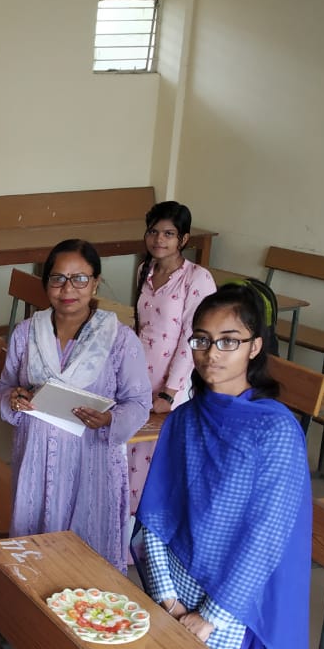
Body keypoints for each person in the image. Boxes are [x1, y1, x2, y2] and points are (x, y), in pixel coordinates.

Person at [129, 283, 311, 649]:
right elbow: (154, 511)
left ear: (255, 346)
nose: (211, 353)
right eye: (202, 340)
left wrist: (208, 616)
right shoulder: (184, 418)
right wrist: (164, 595)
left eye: (228, 341)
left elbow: (266, 537)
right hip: (175, 586)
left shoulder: (275, 429)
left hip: (233, 600)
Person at [0, 238, 151, 572]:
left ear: (95, 282)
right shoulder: (27, 333)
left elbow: (138, 402)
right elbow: (5, 384)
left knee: (88, 564)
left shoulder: (119, 338)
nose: (69, 288)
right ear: (46, 283)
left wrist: (110, 420)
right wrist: (13, 397)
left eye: (80, 278)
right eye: (58, 278)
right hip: (37, 461)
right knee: (35, 557)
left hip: (91, 464)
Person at [127, 201, 216, 513]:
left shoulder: (197, 278)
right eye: (153, 231)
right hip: (140, 377)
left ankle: (148, 537)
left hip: (173, 386)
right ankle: (122, 533)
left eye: (168, 233)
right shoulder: (144, 270)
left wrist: (169, 392)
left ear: (184, 239)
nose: (158, 240)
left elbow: (193, 339)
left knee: (158, 459)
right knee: (131, 457)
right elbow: (142, 327)